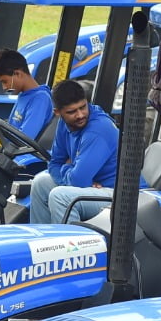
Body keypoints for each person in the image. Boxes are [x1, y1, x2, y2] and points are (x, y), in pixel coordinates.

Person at [28, 80, 120, 224]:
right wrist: (74, 171)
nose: (80, 115)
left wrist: (70, 170)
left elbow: (79, 180)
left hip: (118, 194)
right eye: (72, 111)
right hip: (93, 188)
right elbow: (54, 164)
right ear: (58, 112)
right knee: (40, 182)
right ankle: (43, 240)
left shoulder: (99, 129)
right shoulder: (64, 124)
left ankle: (67, 246)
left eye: (83, 107)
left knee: (60, 197)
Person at [0, 48, 53, 141]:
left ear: (17, 74)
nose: (4, 87)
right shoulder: (23, 96)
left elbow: (24, 139)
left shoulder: (40, 98)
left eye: (5, 81)